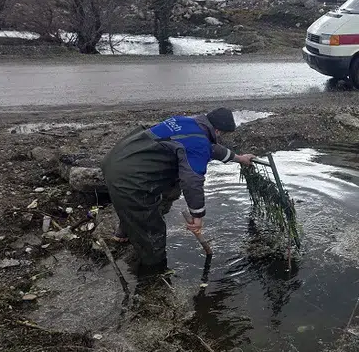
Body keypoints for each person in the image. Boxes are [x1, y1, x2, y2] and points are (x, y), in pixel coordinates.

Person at [101, 108, 254, 274]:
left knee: (140, 205)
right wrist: (197, 216)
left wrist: (239, 158)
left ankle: (122, 235)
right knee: (152, 230)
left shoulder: (185, 122)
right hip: (131, 177)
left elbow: (210, 148)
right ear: (217, 130)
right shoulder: (199, 142)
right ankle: (154, 274)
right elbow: (192, 181)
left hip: (117, 159)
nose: (220, 138)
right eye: (222, 134)